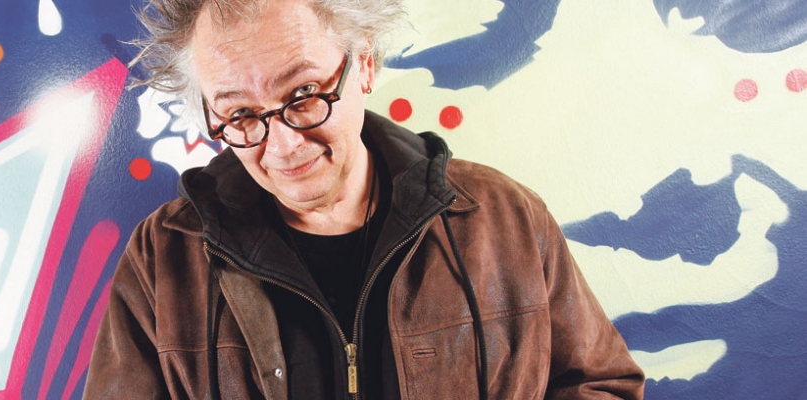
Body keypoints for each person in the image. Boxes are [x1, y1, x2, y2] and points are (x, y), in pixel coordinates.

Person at [84, 0, 646, 398]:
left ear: (366, 62)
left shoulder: (503, 217)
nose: (282, 146)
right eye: (241, 114)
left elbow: (601, 385)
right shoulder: (163, 258)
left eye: (304, 94)